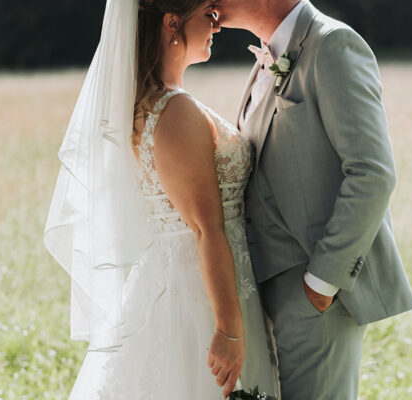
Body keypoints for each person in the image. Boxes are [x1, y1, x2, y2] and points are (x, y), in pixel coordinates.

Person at [44, 0, 279, 398]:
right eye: (207, 14)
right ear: (173, 24)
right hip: (199, 297)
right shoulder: (174, 111)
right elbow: (206, 228)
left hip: (193, 279)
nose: (216, 25)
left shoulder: (155, 103)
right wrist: (227, 328)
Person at [213, 0, 412, 398]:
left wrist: (322, 283)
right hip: (264, 289)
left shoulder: (334, 45)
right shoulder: (266, 56)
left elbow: (372, 171)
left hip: (313, 292)